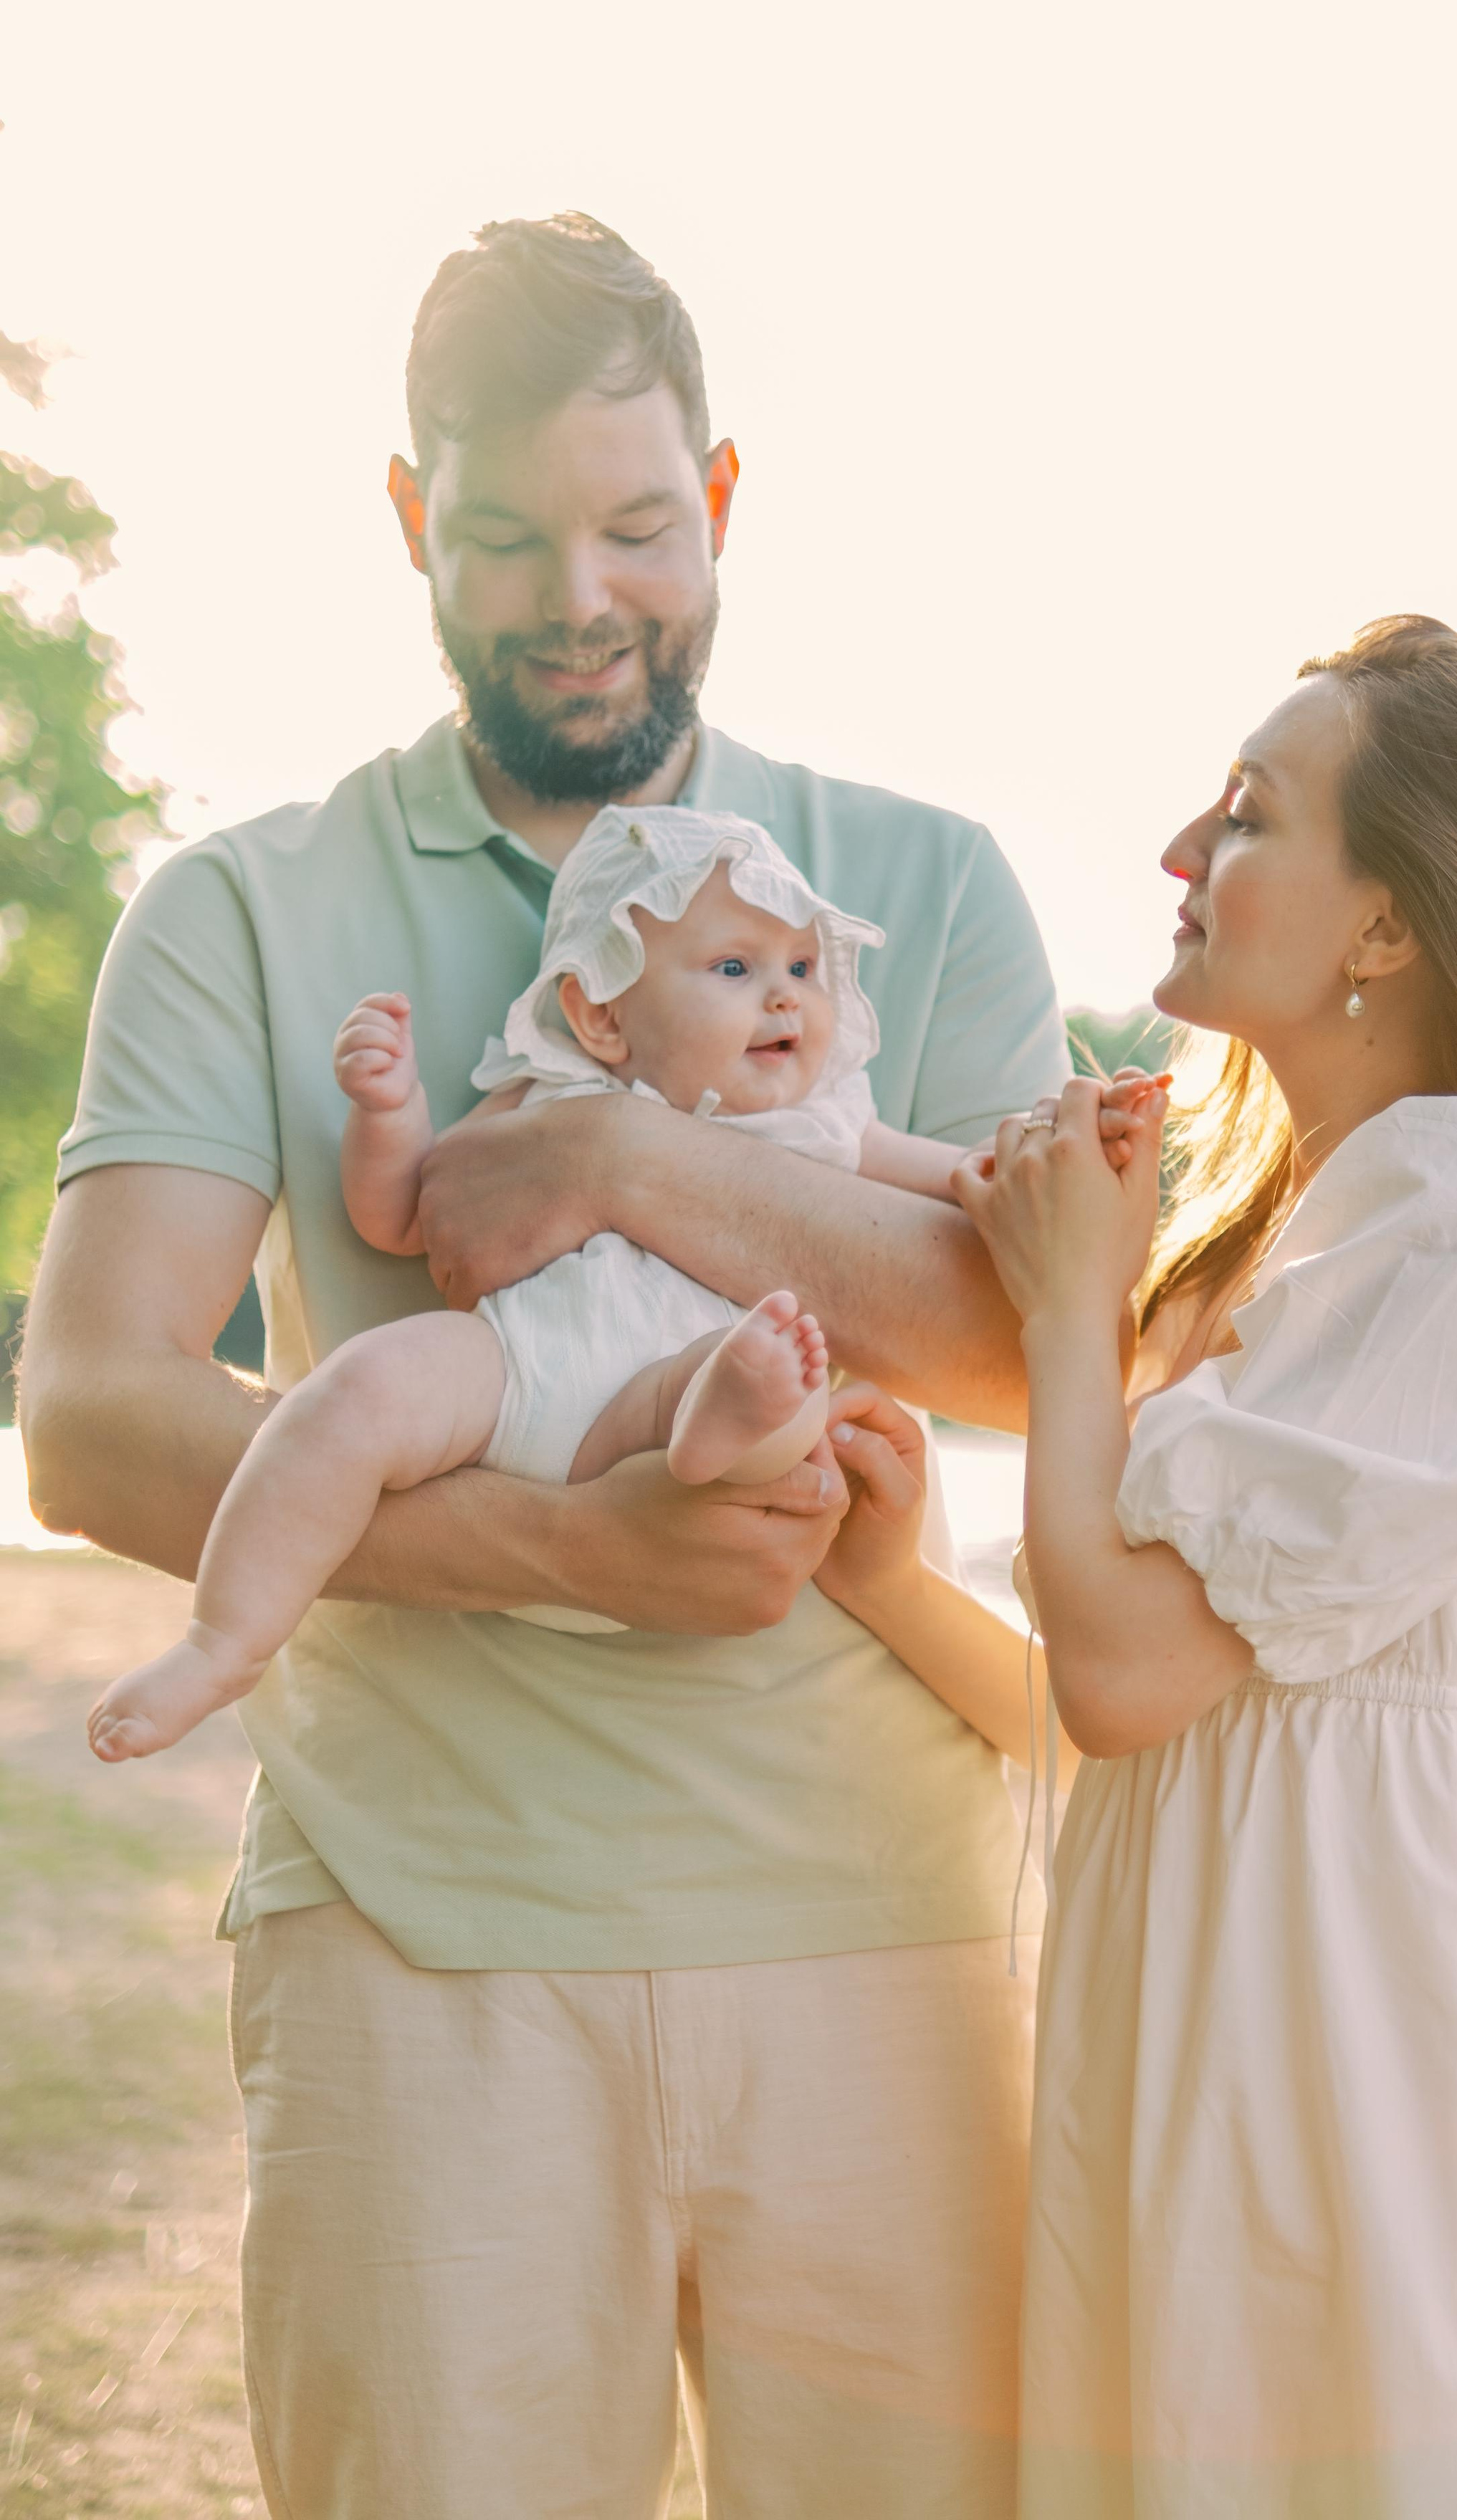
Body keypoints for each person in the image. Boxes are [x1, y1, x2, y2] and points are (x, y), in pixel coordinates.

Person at [21, 214, 1073, 2519]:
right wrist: (563, 1545)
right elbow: (96, 1413)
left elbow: (1032, 1344)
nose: (578, 594)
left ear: (723, 498)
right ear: (411, 519)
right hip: (420, 1951)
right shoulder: (247, 905)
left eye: (635, 527)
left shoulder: (916, 878)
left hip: (884, 1945)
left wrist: (614, 1151)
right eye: (502, 534)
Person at [942, 618, 1457, 2514]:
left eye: (1247, 814)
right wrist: (865, 1558)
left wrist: (1076, 1311)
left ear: (1387, 929)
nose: (1177, 849)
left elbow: (1130, 1673)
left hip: (1362, 2039)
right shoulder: (1329, 1223)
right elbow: (1128, 1721)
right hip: (1251, 2000)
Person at [87, 805, 1160, 1757]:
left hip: (679, 1406)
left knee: (789, 1379)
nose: (785, 996)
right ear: (601, 1016)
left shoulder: (831, 1120)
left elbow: (978, 1189)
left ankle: (723, 1422)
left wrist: (1077, 1138)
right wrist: (387, 1115)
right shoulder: (547, 1089)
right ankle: (223, 1642)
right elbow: (403, 1214)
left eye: (800, 967)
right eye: (736, 970)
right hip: (518, 1371)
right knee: (350, 1395)